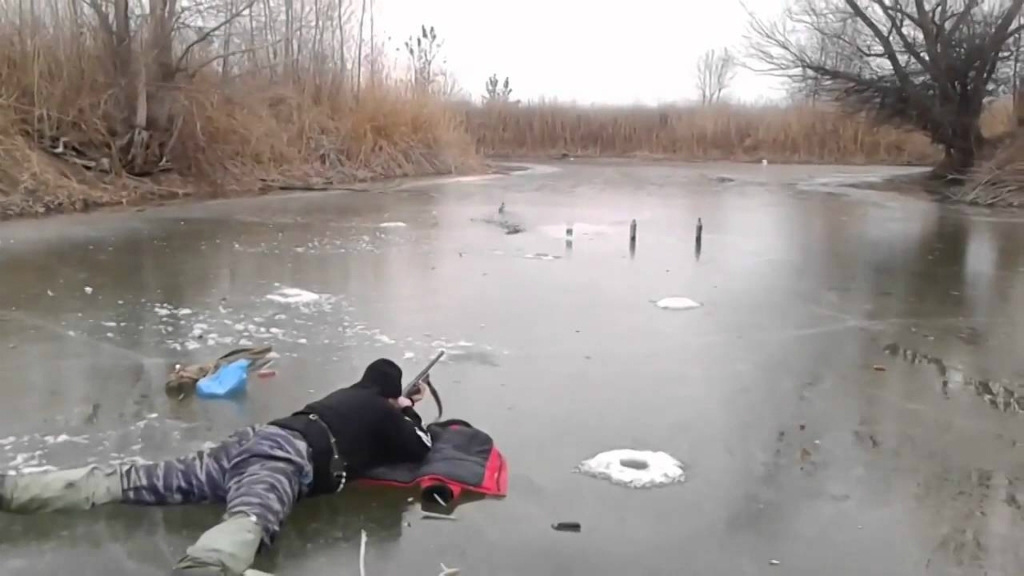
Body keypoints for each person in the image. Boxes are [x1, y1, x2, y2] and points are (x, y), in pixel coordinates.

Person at [0, 358, 433, 576]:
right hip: (280, 461)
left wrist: (395, 406)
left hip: (248, 443)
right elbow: (417, 449)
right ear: (391, 393)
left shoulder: (345, 395)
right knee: (250, 518)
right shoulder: (383, 412)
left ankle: (15, 490)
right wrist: (408, 412)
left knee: (133, 479)